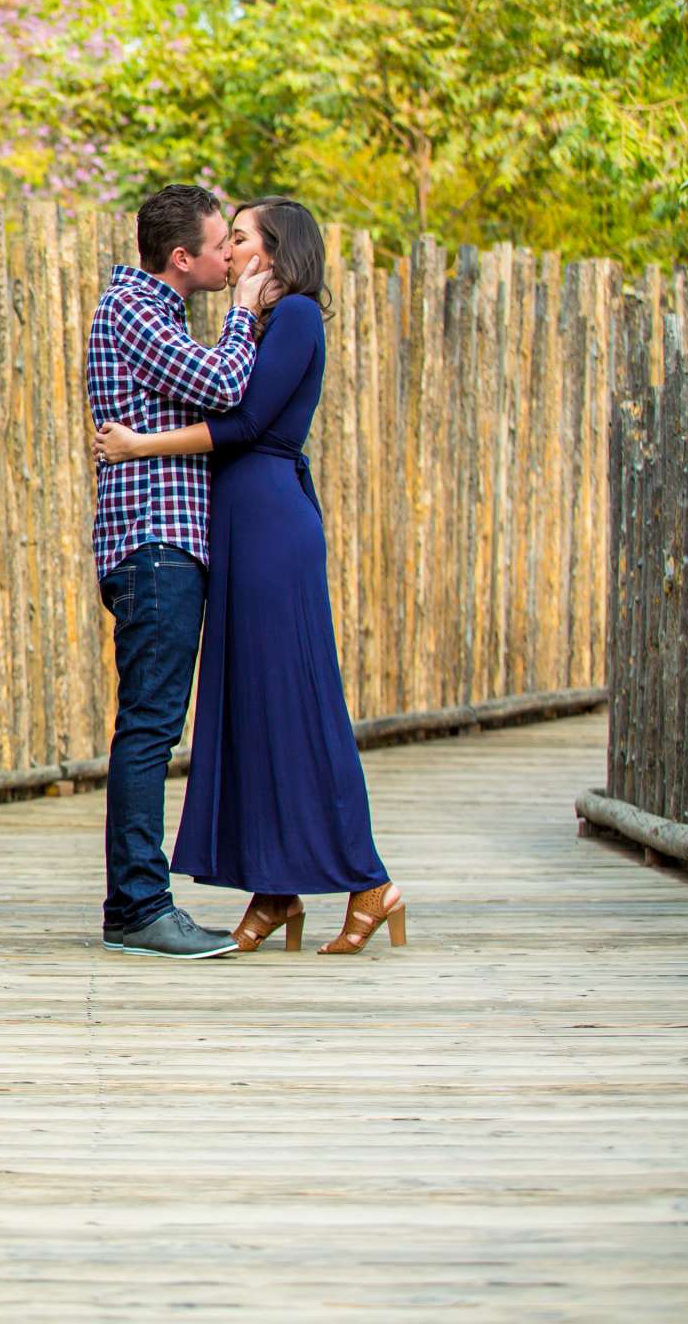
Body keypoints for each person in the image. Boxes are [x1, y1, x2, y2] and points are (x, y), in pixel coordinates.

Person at [95, 198, 405, 956]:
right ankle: (273, 891)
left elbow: (242, 416)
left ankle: (368, 880)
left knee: (296, 701)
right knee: (247, 712)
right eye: (221, 240)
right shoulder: (218, 321)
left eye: (239, 239)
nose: (228, 253)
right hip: (222, 529)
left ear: (274, 251)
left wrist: (139, 446)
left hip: (264, 524)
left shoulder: (294, 317)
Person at [85, 184, 273, 959]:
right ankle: (138, 907)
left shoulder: (157, 313)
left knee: (152, 727)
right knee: (150, 730)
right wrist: (244, 316)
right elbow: (226, 388)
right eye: (219, 245)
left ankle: (137, 903)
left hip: (165, 548)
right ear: (181, 258)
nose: (231, 256)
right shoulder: (132, 311)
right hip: (154, 548)